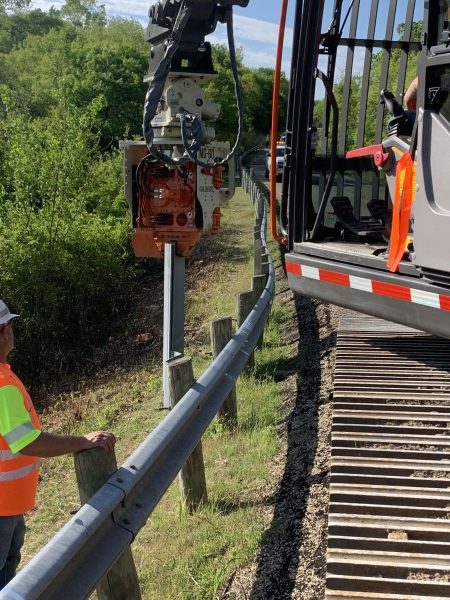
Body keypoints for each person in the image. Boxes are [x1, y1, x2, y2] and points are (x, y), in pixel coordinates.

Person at [0, 299, 116, 589]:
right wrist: (81, 441)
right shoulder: (2, 384)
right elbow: (28, 442)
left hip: (9, 505)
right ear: (3, 333)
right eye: (11, 326)